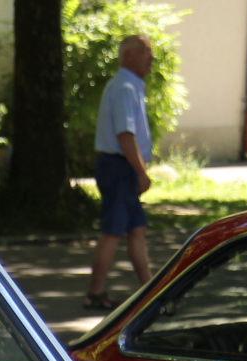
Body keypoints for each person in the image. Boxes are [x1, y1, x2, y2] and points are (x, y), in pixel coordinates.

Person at [85, 35, 155, 311]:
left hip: (119, 166)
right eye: (145, 53)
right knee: (113, 231)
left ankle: (150, 289)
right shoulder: (125, 87)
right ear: (128, 56)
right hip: (119, 167)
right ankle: (95, 292)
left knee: (136, 228)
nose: (151, 58)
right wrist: (141, 171)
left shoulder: (129, 86)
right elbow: (125, 134)